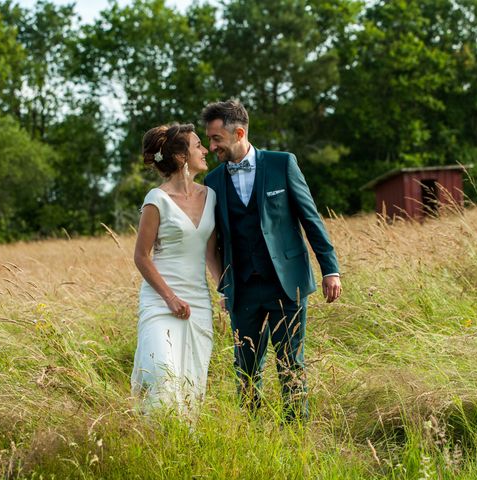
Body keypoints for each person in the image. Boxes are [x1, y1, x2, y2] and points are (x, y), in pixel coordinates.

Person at [202, 100, 342, 421]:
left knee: (291, 363)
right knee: (246, 367)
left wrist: (330, 268)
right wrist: (225, 286)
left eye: (216, 139)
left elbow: (311, 218)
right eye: (208, 140)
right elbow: (215, 242)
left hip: (287, 283)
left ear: (238, 133)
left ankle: (296, 433)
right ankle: (253, 431)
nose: (211, 147)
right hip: (243, 289)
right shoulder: (211, 182)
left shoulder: (282, 164)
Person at [131, 123, 222, 412]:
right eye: (198, 145)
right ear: (181, 157)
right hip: (160, 302)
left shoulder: (211, 197)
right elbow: (141, 256)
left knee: (191, 382)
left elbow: (210, 253)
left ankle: (182, 443)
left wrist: (226, 290)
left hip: (197, 303)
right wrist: (170, 298)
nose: (205, 150)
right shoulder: (155, 200)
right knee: (161, 374)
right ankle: (152, 439)